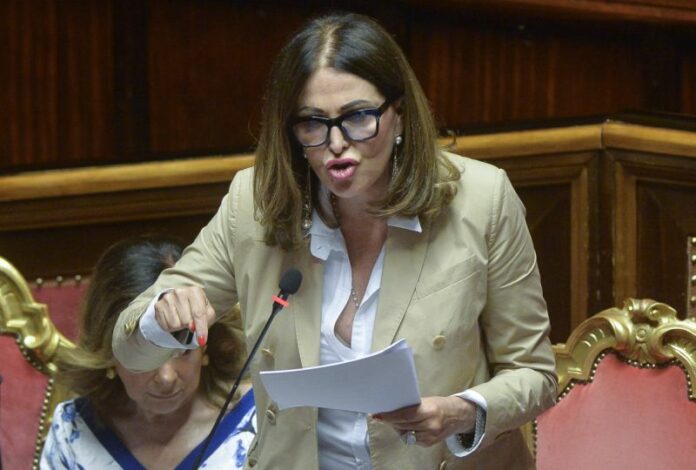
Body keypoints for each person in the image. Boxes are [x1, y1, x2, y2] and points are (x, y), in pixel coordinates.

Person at [113, 12, 557, 470]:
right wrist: (161, 319)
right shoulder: (254, 203)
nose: (337, 143)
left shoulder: (481, 200)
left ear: (400, 115)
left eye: (359, 117)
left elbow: (535, 374)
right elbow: (128, 345)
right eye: (313, 122)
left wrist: (461, 413)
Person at [41, 236, 256, 469]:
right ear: (109, 351)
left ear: (206, 344)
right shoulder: (72, 430)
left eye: (183, 350)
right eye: (144, 356)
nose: (167, 378)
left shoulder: (260, 417)